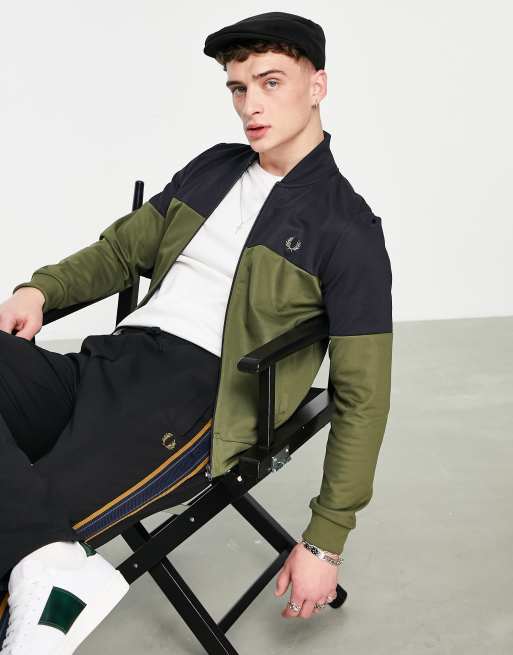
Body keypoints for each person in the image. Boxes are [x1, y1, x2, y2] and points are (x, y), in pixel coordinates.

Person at [0, 10, 393, 654]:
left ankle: (39, 575)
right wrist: (40, 290)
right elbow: (121, 251)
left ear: (317, 85)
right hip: (112, 362)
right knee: (27, 528)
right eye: (239, 88)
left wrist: (326, 540)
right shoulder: (216, 168)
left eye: (271, 83)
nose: (250, 105)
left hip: (196, 400)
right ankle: (48, 562)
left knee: (22, 525)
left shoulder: (346, 228)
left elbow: (363, 398)